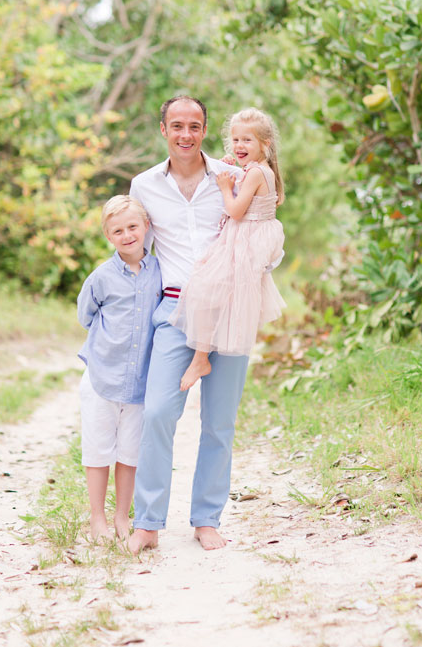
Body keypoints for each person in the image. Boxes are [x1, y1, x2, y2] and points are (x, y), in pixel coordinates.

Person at [126, 95, 249, 554]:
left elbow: (257, 228)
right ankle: (148, 522)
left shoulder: (232, 177)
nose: (186, 134)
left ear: (204, 130)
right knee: (158, 412)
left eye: (194, 126)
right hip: (174, 313)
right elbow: (135, 247)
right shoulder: (144, 185)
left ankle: (206, 519)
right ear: (163, 129)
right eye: (177, 125)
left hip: (230, 311)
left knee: (219, 423)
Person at [171, 107, 286, 391]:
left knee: (203, 288)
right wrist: (232, 170)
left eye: (247, 141)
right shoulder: (258, 170)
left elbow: (235, 210)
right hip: (248, 239)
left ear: (265, 144)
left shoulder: (256, 173)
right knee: (214, 291)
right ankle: (204, 356)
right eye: (235, 140)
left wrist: (225, 186)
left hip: (243, 241)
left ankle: (201, 358)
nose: (239, 146)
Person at [76, 195, 161, 542]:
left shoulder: (160, 271)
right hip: (102, 379)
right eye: (118, 231)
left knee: (129, 453)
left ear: (146, 227)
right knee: (98, 450)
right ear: (109, 236)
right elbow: (86, 315)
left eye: (132, 227)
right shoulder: (102, 277)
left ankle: (122, 517)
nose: (127, 235)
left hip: (141, 382)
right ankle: (97, 519)